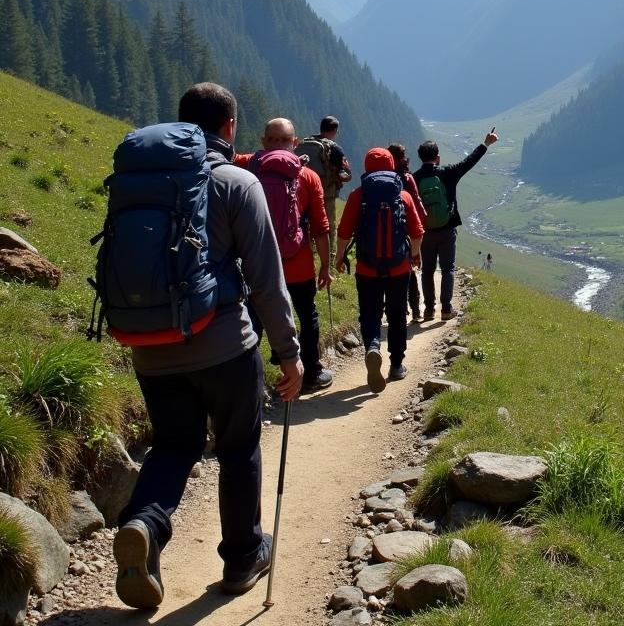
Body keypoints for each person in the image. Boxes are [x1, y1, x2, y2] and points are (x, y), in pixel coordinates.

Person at [112, 83, 303, 609]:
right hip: (224, 345)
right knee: (238, 446)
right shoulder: (237, 183)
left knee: (174, 445)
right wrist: (289, 352)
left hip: (151, 345)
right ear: (230, 129)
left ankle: (144, 526)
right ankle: (243, 557)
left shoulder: (144, 184)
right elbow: (266, 280)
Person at [236, 117, 333, 393]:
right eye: (277, 140)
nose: (277, 145)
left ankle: (250, 384)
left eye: (279, 140)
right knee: (307, 316)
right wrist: (325, 266)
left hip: (257, 264)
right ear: (296, 143)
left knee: (254, 321)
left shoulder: (247, 166)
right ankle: (311, 372)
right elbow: (320, 227)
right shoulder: (308, 176)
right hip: (299, 265)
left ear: (262, 141)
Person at [336, 148, 424, 391]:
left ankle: (373, 346)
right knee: (397, 315)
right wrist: (415, 255)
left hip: (367, 268)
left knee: (370, 313)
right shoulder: (403, 196)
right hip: (398, 268)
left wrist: (339, 257)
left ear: (366, 167)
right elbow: (417, 232)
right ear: (392, 166)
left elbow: (343, 232)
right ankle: (396, 365)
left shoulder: (358, 195)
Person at [413, 129, 498, 320]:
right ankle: (446, 309)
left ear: (420, 157)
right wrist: (485, 144)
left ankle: (428, 309)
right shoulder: (448, 173)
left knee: (427, 270)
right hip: (447, 229)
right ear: (438, 157)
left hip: (425, 232)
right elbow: (469, 162)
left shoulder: (414, 178)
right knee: (447, 269)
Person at [295, 115, 351, 261]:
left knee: (305, 222)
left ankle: (307, 251)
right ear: (334, 130)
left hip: (303, 191)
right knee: (328, 225)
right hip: (326, 193)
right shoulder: (334, 148)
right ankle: (330, 257)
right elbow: (345, 173)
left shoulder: (305, 143)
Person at [388, 143, 428, 321]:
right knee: (409, 271)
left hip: (388, 230)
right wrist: (420, 228)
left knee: (391, 272)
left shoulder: (384, 177)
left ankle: (397, 309)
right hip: (405, 231)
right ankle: (416, 310)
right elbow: (417, 204)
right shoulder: (407, 177)